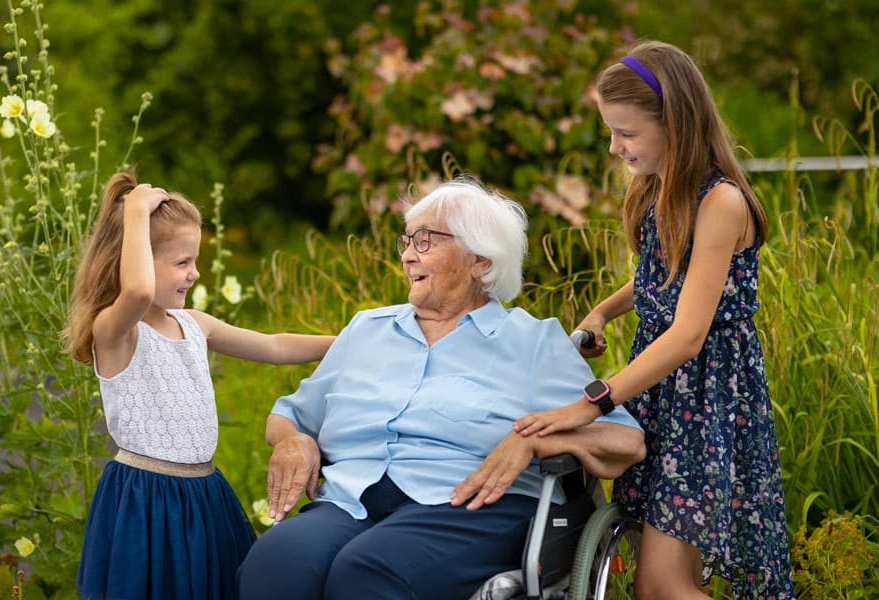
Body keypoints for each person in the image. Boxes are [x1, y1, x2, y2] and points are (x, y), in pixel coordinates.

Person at [236, 177, 646, 600]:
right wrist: (293, 440)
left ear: (481, 261)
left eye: (426, 241)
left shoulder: (532, 342)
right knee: (275, 563)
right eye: (407, 241)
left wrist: (537, 440)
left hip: (467, 507)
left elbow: (626, 440)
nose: (409, 255)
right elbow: (288, 416)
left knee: (368, 573)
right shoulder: (366, 329)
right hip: (351, 500)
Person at [513, 41, 795, 599]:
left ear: (678, 123)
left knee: (662, 586)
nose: (616, 146)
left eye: (627, 133)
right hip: (660, 391)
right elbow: (662, 275)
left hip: (705, 399)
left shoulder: (722, 203)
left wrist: (593, 400)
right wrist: (604, 310)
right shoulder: (656, 188)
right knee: (671, 575)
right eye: (611, 132)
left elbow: (689, 334)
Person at [66, 171, 336, 600]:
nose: (193, 274)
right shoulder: (115, 332)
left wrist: (352, 339)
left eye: (195, 261)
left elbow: (274, 345)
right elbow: (136, 291)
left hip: (205, 493)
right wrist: (135, 212)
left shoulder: (194, 325)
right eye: (180, 262)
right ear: (132, 257)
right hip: (145, 500)